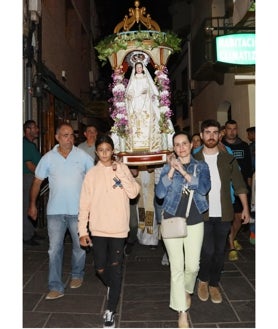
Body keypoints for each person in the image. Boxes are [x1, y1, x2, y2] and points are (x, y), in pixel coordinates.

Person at [78, 134, 140, 328]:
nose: (105, 154)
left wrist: (119, 172)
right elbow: (84, 204)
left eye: (108, 150)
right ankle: (113, 286)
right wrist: (82, 230)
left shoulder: (122, 169)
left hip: (119, 229)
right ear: (96, 152)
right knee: (100, 269)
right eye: (101, 150)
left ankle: (110, 310)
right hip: (98, 229)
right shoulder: (91, 174)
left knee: (116, 268)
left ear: (113, 151)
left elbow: (133, 193)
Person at [28, 123, 94, 300]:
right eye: (65, 135)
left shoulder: (83, 156)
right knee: (54, 249)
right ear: (57, 137)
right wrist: (32, 204)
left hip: (78, 211)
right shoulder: (48, 158)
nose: (69, 139)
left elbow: (94, 179)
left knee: (80, 247)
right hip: (55, 212)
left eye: (72, 135)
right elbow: (37, 182)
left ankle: (77, 274)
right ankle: (55, 285)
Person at [155, 131, 211, 328]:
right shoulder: (165, 168)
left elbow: (203, 188)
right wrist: (171, 171)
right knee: (176, 267)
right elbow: (160, 194)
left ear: (190, 145)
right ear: (174, 148)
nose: (181, 147)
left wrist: (184, 173)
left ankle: (186, 290)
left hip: (195, 220)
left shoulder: (201, 166)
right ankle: (182, 312)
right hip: (171, 220)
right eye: (177, 144)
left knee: (193, 266)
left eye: (184, 143)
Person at [194, 119, 250, 304]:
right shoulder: (194, 158)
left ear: (220, 135)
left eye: (214, 132)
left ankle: (214, 284)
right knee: (207, 251)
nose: (211, 136)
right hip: (202, 214)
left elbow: (240, 184)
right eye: (207, 132)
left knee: (219, 251)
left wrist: (246, 210)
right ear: (201, 135)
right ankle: (203, 280)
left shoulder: (228, 158)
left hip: (224, 212)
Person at [125, 60, 173, 152]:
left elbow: (152, 90)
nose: (138, 69)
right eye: (137, 67)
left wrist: (147, 92)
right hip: (135, 103)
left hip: (145, 103)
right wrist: (130, 95)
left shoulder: (146, 78)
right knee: (135, 121)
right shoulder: (133, 79)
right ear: (134, 69)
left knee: (147, 120)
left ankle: (150, 143)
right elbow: (130, 90)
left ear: (143, 68)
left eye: (140, 67)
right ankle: (134, 144)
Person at [222, 119, 253, 261]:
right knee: (229, 217)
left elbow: (247, 166)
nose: (232, 131)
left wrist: (249, 185)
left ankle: (232, 238)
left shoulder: (244, 146)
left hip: (240, 187)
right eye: (229, 128)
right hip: (227, 187)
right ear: (225, 129)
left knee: (239, 217)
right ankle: (231, 245)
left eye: (235, 128)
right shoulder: (221, 146)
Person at [23, 120, 42, 245]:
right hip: (27, 178)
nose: (37, 130)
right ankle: (26, 236)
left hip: (33, 178)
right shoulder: (24, 144)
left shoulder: (31, 144)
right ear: (28, 130)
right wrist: (42, 174)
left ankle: (31, 231)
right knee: (26, 206)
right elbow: (29, 165)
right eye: (34, 127)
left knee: (32, 204)